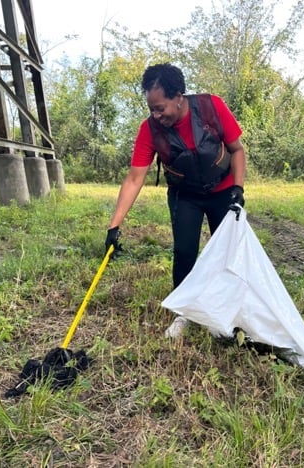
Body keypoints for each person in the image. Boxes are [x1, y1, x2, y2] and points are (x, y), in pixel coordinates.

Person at [105, 63, 247, 338]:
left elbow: (237, 150)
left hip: (224, 190)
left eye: (160, 108)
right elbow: (135, 179)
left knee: (227, 252)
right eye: (151, 109)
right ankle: (184, 312)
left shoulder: (211, 107)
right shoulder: (149, 130)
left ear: (179, 96)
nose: (156, 115)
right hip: (185, 195)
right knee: (184, 252)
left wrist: (238, 188)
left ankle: (222, 311)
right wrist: (114, 225)